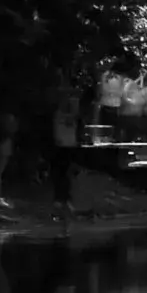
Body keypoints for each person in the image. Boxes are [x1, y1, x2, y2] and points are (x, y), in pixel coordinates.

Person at [47, 82, 82, 214]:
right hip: (62, 145)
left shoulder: (67, 114)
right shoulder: (60, 114)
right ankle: (61, 198)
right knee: (60, 173)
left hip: (67, 145)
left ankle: (64, 198)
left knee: (64, 173)